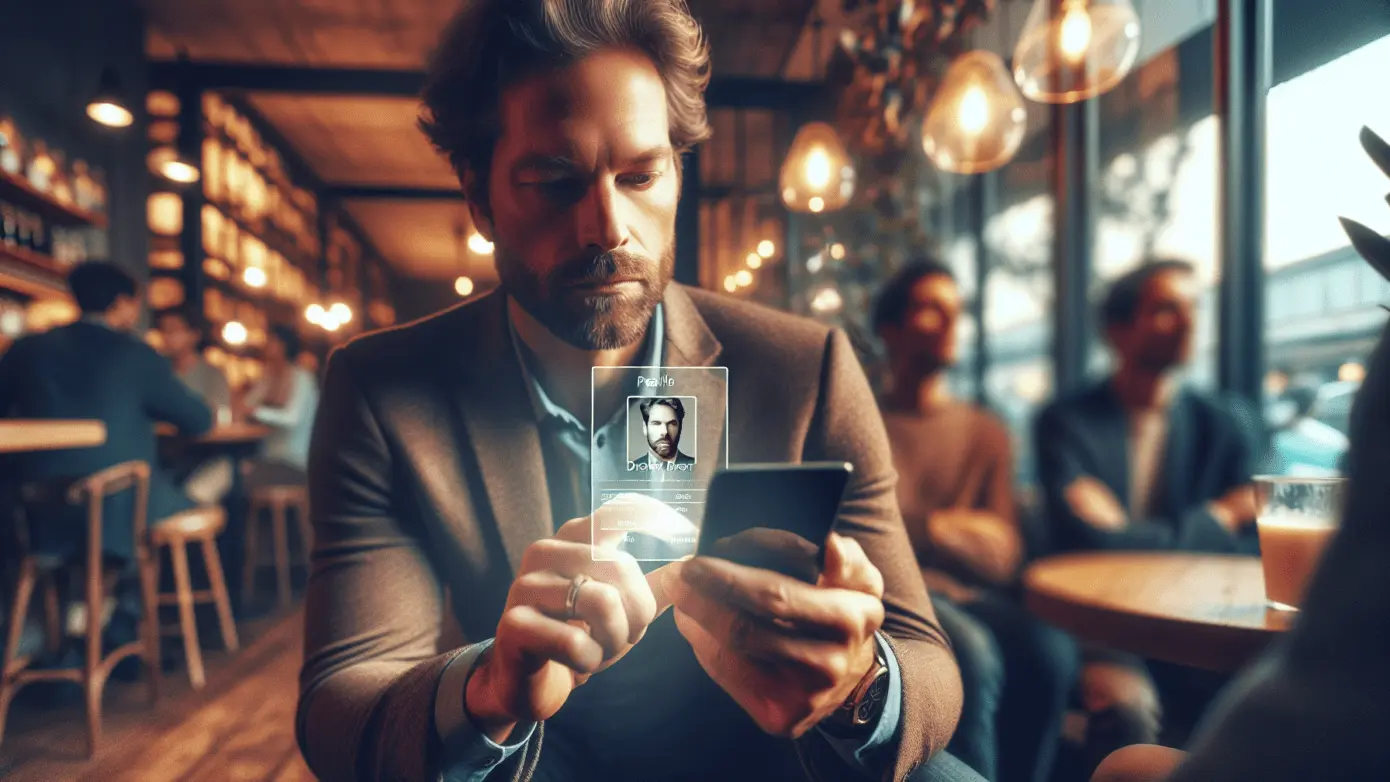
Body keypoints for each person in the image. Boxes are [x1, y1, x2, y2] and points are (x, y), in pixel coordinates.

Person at [295, 1, 977, 780]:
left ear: (678, 172)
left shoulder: (804, 369)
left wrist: (861, 684)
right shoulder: (383, 391)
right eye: (555, 181)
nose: (607, 226)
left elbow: (927, 659)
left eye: (641, 174)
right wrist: (489, 690)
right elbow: (340, 699)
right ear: (479, 197)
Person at [1033, 259, 1259, 772]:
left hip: (1202, 625)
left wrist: (1127, 535)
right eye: (1166, 309)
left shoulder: (1226, 424)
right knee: (1128, 710)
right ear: (1118, 330)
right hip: (1103, 630)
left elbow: (1253, 547)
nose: (1188, 322)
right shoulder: (1066, 422)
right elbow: (1090, 545)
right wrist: (1217, 517)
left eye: (1192, 307)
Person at [875, 259, 1079, 782]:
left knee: (1051, 651)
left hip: (972, 593)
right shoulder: (864, 417)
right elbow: (866, 533)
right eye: (930, 310)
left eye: (955, 311)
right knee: (973, 653)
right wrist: (949, 529)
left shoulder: (987, 430)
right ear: (890, 329)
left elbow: (1005, 554)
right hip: (897, 591)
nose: (949, 324)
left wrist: (915, 526)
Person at [0, 262, 212, 646]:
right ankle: (115, 623)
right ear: (123, 303)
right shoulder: (137, 354)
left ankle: (73, 627)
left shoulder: (27, 349)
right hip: (117, 509)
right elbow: (198, 420)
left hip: (37, 509)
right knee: (166, 506)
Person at [158, 310, 235, 504]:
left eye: (173, 330)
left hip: (202, 457)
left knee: (222, 471)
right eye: (163, 330)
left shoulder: (212, 375)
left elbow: (218, 418)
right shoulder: (159, 372)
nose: (167, 337)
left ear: (194, 335)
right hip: (162, 457)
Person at [238, 323, 318, 489]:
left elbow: (292, 418)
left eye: (272, 341)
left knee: (235, 475)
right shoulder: (269, 377)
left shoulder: (302, 378)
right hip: (269, 458)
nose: (266, 346)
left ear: (285, 345)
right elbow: (245, 404)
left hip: (296, 462)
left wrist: (256, 411)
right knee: (233, 467)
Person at [638, 397, 695, 470]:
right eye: (656, 423)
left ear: (680, 427)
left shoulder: (697, 467)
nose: (665, 432)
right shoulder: (628, 470)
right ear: (645, 427)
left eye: (671, 424)